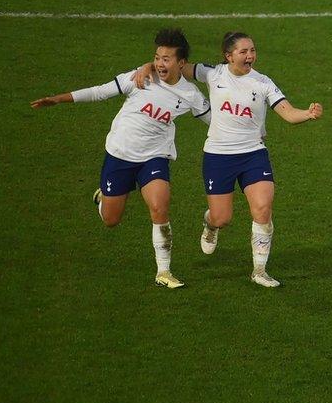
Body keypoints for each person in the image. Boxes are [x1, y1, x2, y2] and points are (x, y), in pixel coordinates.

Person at [135, 32, 322, 287]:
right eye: (244, 51)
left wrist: (308, 114)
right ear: (228, 56)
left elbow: (287, 113)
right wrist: (148, 66)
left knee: (263, 209)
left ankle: (259, 271)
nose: (250, 56)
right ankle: (210, 224)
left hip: (253, 154)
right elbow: (175, 67)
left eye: (253, 50)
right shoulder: (213, 73)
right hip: (218, 156)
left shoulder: (264, 82)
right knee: (222, 218)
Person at [30, 28, 211, 289]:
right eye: (157, 57)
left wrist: (247, 133)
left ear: (181, 63)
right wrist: (58, 99)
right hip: (120, 155)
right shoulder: (140, 77)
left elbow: (214, 121)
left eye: (167, 59)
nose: (160, 63)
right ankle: (103, 196)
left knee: (160, 207)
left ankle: (164, 272)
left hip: (154, 157)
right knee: (111, 220)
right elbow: (100, 91)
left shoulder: (191, 94)